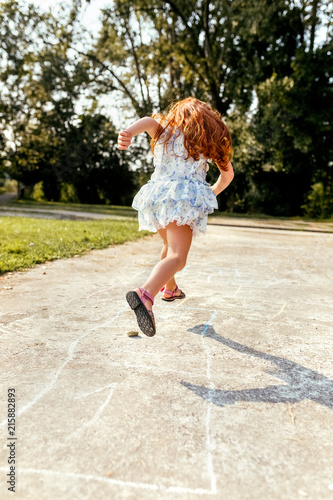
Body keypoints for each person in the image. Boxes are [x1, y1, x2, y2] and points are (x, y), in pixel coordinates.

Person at [118, 97, 234, 337]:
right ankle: (146, 293)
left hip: (156, 198)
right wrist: (207, 193)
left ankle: (170, 289)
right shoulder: (205, 141)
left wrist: (129, 132)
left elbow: (149, 121)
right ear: (207, 123)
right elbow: (227, 176)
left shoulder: (163, 130)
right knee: (178, 258)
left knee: (168, 247)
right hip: (181, 202)